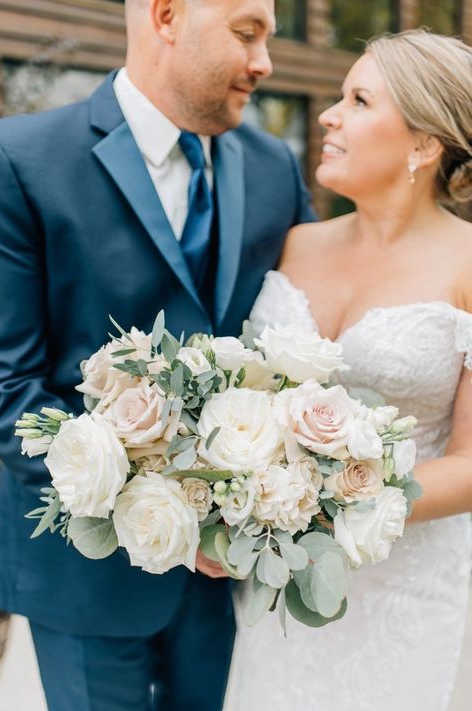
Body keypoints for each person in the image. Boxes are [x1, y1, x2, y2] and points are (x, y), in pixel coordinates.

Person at [0, 0, 315, 709]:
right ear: (168, 16)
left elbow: (305, 338)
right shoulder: (20, 158)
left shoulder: (273, 167)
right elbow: (7, 386)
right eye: (247, 33)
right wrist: (165, 514)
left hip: (225, 576)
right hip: (81, 573)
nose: (265, 61)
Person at [225, 29, 472, 711]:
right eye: (337, 96)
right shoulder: (298, 242)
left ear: (424, 143)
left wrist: (326, 506)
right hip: (277, 576)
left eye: (358, 100)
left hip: (404, 583)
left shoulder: (467, 265)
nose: (329, 115)